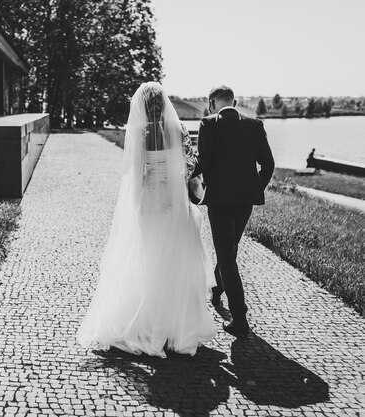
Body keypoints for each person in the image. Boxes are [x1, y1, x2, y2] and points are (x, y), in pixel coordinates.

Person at [76, 82, 216, 357]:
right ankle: (175, 326)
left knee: (148, 262)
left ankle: (147, 322)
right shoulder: (178, 130)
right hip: (175, 206)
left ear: (141, 106)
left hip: (150, 206)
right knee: (175, 264)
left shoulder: (140, 133)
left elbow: (135, 174)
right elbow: (188, 167)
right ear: (165, 104)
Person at [192, 85, 274, 338]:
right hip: (244, 201)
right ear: (234, 102)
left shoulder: (208, 123)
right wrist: (254, 189)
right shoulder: (255, 125)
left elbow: (203, 161)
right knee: (230, 248)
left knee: (227, 254)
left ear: (211, 103)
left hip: (219, 200)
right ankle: (217, 290)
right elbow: (268, 164)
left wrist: (183, 175)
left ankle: (239, 318)